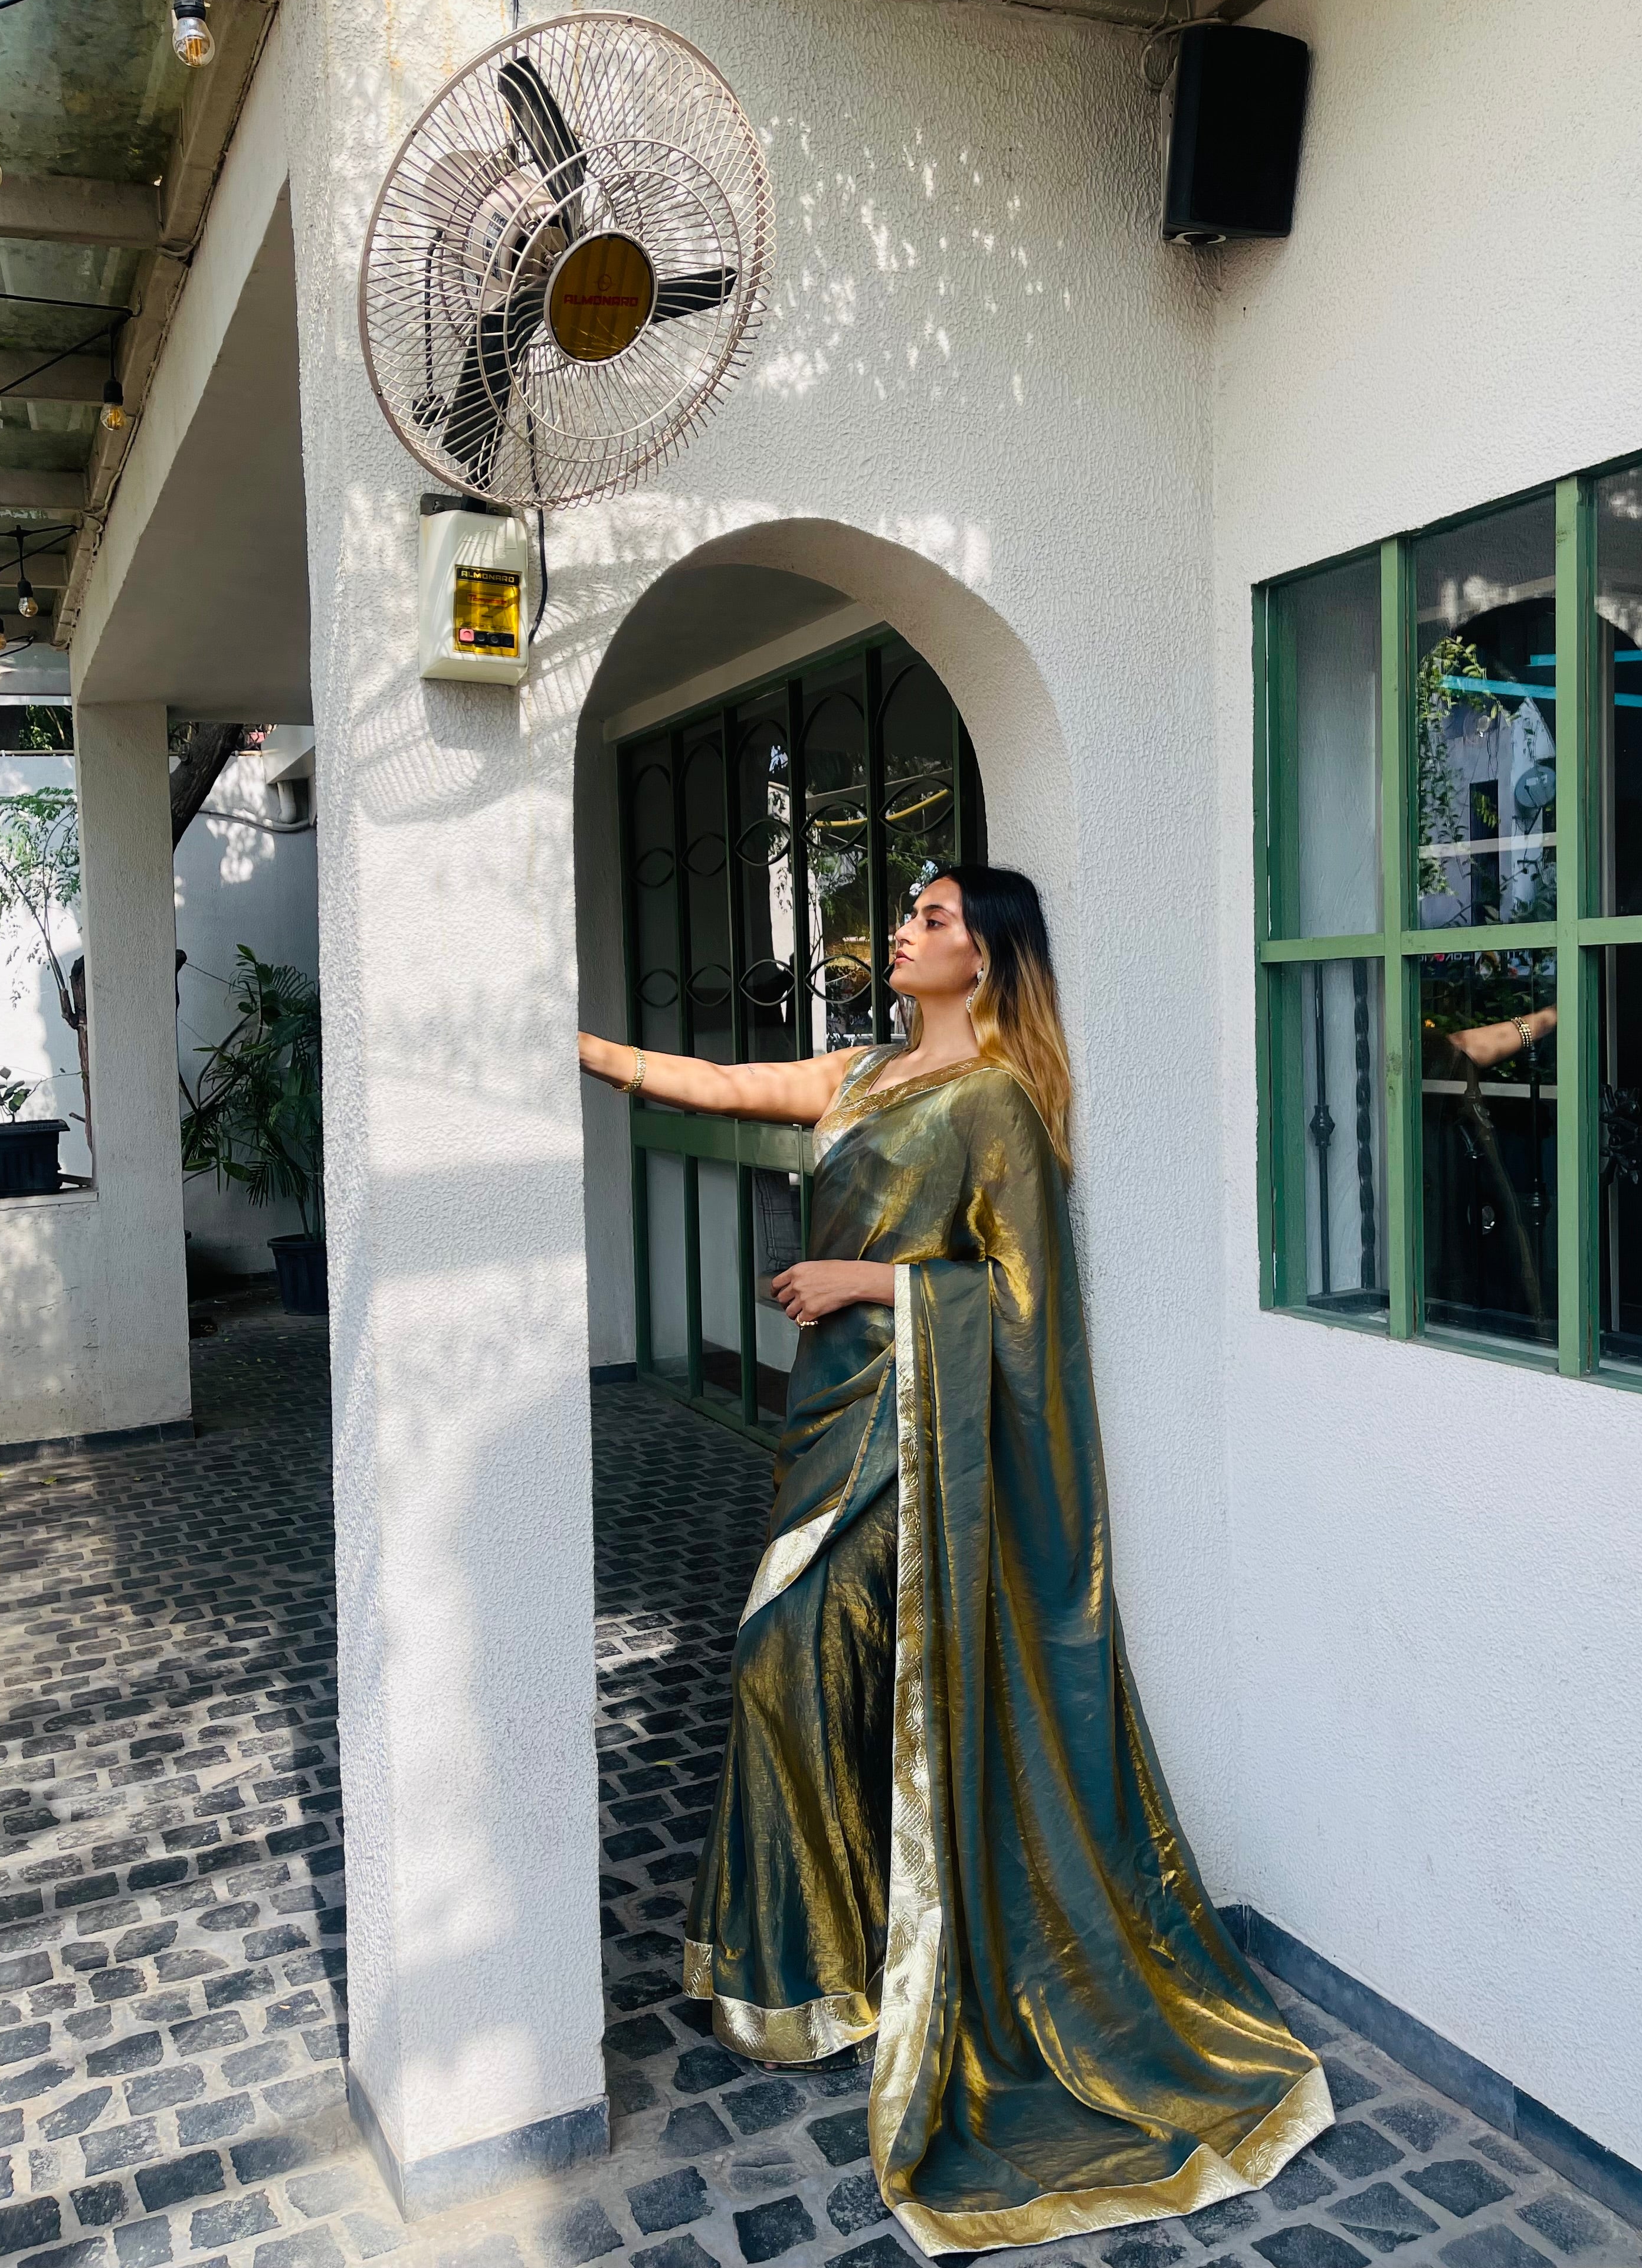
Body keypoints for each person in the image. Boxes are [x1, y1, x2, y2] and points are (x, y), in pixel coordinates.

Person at [578, 866, 1331, 2256]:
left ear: (983, 959)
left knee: (784, 1660)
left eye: (932, 920)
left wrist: (871, 1283)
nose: (908, 932)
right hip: (833, 1429)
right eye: (913, 915)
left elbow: (1029, 1309)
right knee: (798, 1673)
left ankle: (879, 1958)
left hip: (920, 1458)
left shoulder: (992, 1102)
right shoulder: (864, 1074)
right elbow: (711, 1084)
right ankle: (834, 1970)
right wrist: (570, 1043)